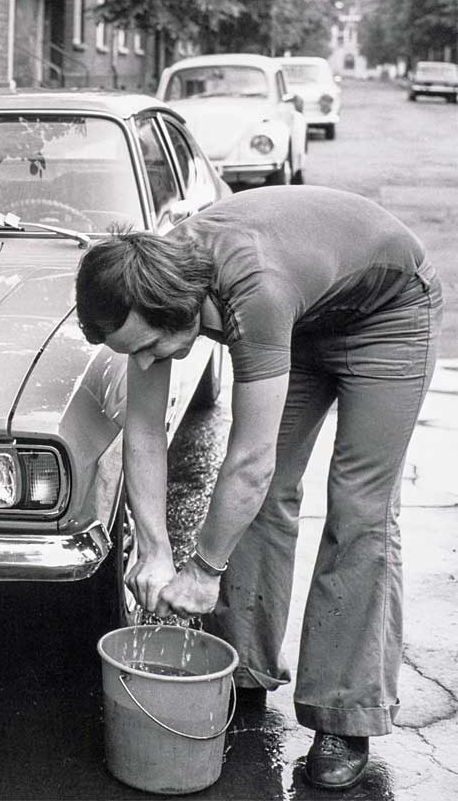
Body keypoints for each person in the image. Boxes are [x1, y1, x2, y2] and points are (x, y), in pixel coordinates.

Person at [74, 186, 442, 791]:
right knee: (258, 504)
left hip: (388, 313)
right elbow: (142, 435)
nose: (145, 364)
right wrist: (156, 549)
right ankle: (238, 670)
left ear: (182, 310)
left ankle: (343, 716)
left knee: (359, 508)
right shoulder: (145, 279)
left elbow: (250, 460)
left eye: (149, 348)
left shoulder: (254, 291)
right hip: (304, 313)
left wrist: (202, 571)